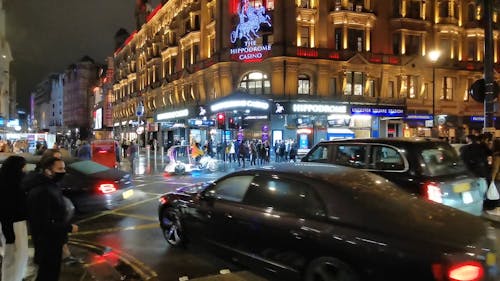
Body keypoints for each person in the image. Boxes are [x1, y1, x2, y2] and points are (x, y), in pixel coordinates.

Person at [25, 157, 79, 281]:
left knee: (50, 272)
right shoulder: (42, 191)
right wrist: (68, 227)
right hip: (47, 241)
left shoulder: (50, 186)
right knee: (47, 274)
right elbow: (44, 222)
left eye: (64, 168)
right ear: (48, 171)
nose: (63, 171)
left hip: (53, 240)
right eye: (60, 169)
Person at [0, 156, 29, 281]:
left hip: (12, 225)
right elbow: (7, 211)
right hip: (14, 226)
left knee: (13, 257)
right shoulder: (12, 187)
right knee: (14, 257)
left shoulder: (8, 182)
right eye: (23, 167)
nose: (25, 170)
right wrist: (9, 234)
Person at [486, 138, 500, 215]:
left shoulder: (497, 156)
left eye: (491, 144)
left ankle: (497, 210)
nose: (490, 145)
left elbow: (495, 169)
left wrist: (492, 179)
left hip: (498, 178)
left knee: (498, 193)